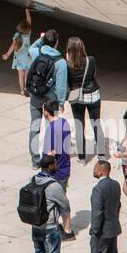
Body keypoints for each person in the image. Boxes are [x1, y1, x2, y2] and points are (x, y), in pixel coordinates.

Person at [28, 154, 71, 253]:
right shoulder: (54, 186)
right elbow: (65, 206)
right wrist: (67, 228)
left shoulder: (33, 180)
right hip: (50, 228)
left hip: (35, 226)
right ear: (51, 166)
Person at [24, 30, 67, 167]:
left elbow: (31, 48)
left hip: (36, 96)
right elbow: (61, 87)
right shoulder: (60, 62)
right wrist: (61, 103)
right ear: (56, 42)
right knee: (50, 130)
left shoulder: (38, 53)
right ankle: (47, 159)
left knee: (34, 127)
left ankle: (35, 161)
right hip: (50, 101)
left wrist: (40, 39)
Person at [86, 160, 122, 253]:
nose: (94, 171)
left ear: (101, 171)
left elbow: (97, 213)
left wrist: (94, 230)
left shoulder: (98, 189)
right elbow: (118, 205)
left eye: (95, 168)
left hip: (102, 230)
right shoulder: (115, 185)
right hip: (113, 227)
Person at [65, 36, 104, 161]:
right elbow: (93, 75)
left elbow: (67, 81)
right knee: (96, 124)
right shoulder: (90, 60)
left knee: (79, 126)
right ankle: (101, 154)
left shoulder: (67, 64)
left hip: (77, 98)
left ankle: (81, 158)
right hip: (93, 94)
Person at [40, 101, 74, 239]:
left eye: (43, 109)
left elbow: (51, 153)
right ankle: (63, 227)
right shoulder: (64, 122)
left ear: (46, 112)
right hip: (64, 168)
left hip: (56, 172)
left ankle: (67, 230)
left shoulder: (52, 129)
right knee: (60, 199)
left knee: (60, 202)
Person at [2, 6, 32, 95]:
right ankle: (27, 88)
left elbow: (12, 46)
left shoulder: (17, 35)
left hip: (19, 59)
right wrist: (27, 11)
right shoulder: (28, 34)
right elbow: (29, 21)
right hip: (27, 58)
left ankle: (22, 90)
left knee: (20, 75)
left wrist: (7, 55)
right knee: (27, 74)